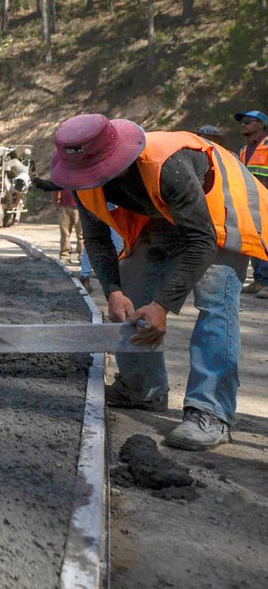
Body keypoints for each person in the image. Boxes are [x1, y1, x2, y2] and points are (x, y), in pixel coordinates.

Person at [52, 113, 268, 450]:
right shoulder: (82, 177)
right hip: (166, 214)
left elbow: (202, 241)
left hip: (221, 207)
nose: (88, 179)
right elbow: (96, 239)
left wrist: (163, 305)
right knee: (133, 289)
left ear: (117, 159)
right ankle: (142, 389)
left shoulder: (167, 165)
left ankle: (211, 411)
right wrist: (113, 292)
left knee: (215, 299)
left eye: (95, 172)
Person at [234, 110, 268, 298]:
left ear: (261, 124)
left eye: (248, 121)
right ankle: (259, 281)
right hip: (253, 201)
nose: (243, 124)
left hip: (266, 199)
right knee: (256, 241)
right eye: (242, 121)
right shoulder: (244, 150)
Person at [56, 188, 83, 264]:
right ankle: (65, 256)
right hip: (64, 206)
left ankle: (82, 256)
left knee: (81, 234)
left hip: (80, 206)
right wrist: (56, 203)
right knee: (65, 233)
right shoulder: (62, 179)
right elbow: (55, 188)